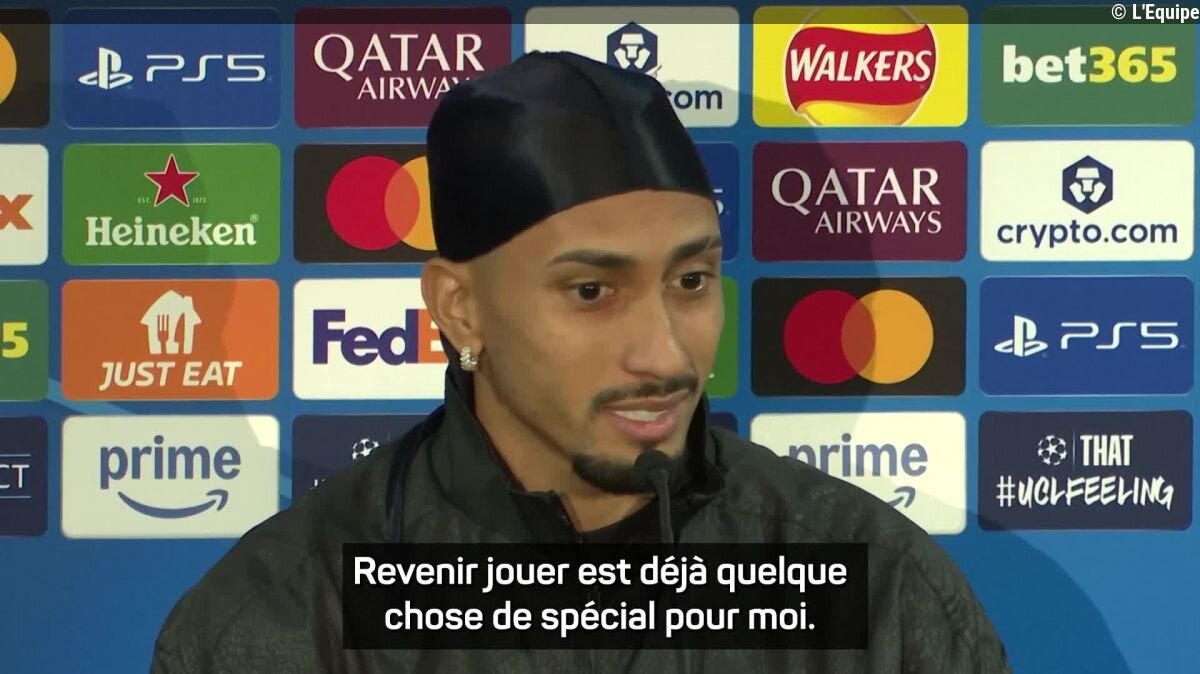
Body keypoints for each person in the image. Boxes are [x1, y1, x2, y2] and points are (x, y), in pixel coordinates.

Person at [150, 51, 1011, 673]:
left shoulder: (876, 588)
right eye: (592, 291)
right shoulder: (287, 615)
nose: (663, 354)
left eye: (690, 280)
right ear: (460, 306)